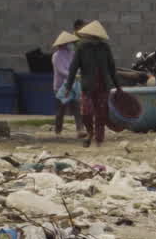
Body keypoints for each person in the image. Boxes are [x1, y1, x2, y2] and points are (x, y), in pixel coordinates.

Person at [65, 20, 122, 148]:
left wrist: (118, 86)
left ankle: (99, 140)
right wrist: (68, 86)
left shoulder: (105, 47)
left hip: (103, 86)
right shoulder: (82, 47)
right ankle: (90, 133)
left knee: (101, 113)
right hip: (88, 86)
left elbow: (111, 67)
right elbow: (73, 68)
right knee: (86, 112)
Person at [51, 31, 84, 139]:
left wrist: (78, 72)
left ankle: (80, 130)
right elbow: (61, 71)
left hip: (73, 84)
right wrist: (74, 75)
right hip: (61, 86)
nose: (69, 44)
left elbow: (76, 66)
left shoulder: (72, 54)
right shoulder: (56, 56)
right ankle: (58, 131)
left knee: (76, 107)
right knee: (61, 109)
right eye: (68, 43)